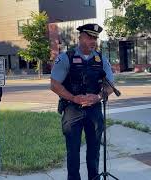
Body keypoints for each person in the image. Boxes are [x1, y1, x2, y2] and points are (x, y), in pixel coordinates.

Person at [50, 23, 114, 180]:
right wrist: (73, 97)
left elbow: (110, 86)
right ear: (81, 38)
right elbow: (54, 84)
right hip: (72, 110)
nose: (93, 41)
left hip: (94, 110)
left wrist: (98, 96)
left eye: (95, 38)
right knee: (73, 151)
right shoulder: (66, 58)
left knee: (94, 150)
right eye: (89, 37)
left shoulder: (101, 60)